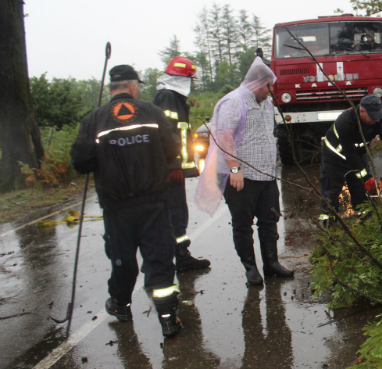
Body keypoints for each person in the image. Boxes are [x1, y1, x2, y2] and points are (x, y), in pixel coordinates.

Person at [70, 65, 182, 338]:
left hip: (116, 207)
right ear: (132, 87)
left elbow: (81, 162)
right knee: (159, 259)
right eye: (138, 86)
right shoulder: (153, 113)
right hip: (153, 202)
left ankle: (120, 305)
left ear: (112, 88)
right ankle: (168, 319)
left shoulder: (94, 120)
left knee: (122, 260)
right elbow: (173, 148)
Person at [194, 56, 293, 286]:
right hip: (241, 177)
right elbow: (224, 136)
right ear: (257, 84)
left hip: (266, 175)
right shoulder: (234, 102)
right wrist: (235, 168)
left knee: (269, 220)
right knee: (243, 224)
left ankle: (272, 264)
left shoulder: (267, 104)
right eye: (268, 87)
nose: (270, 92)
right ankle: (250, 268)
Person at [153, 56, 210, 272]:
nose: (191, 84)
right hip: (170, 170)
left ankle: (174, 255)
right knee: (174, 212)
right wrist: (174, 164)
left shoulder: (172, 97)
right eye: (189, 79)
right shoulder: (168, 97)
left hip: (172, 169)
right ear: (180, 78)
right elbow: (166, 133)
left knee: (176, 211)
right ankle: (177, 257)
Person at [318, 94, 382, 226]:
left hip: (357, 153)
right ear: (362, 111)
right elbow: (349, 153)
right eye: (373, 116)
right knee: (331, 189)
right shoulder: (345, 122)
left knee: (359, 188)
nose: (377, 120)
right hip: (335, 156)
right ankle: (328, 222)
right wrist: (366, 177)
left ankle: (364, 218)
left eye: (378, 116)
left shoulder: (379, 118)